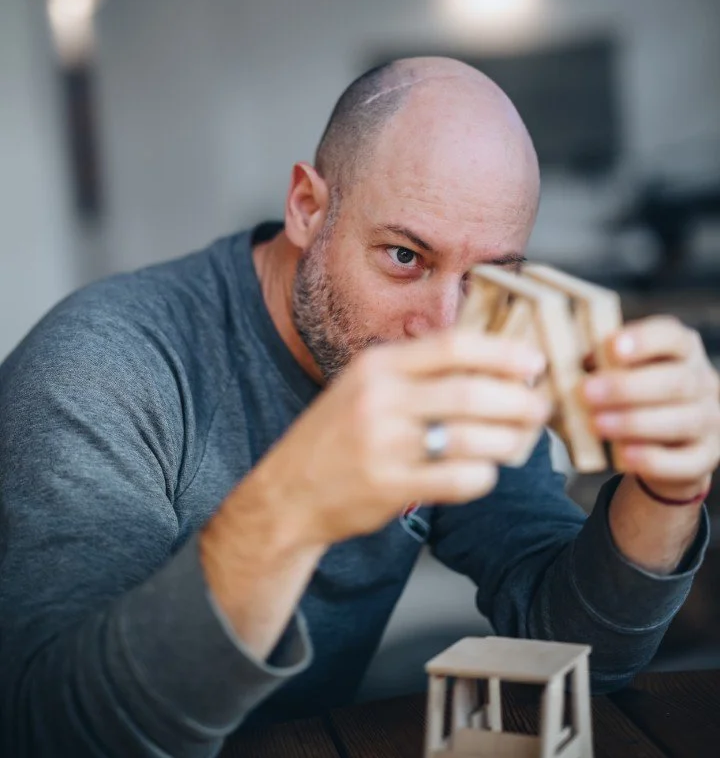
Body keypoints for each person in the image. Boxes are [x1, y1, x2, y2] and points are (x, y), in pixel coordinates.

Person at [1, 57, 718, 758]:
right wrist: (292, 507)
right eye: (405, 257)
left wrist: (666, 490)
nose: (441, 326)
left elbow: (576, 651)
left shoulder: (470, 343)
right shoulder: (99, 371)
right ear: (308, 209)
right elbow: (56, 733)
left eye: (489, 278)